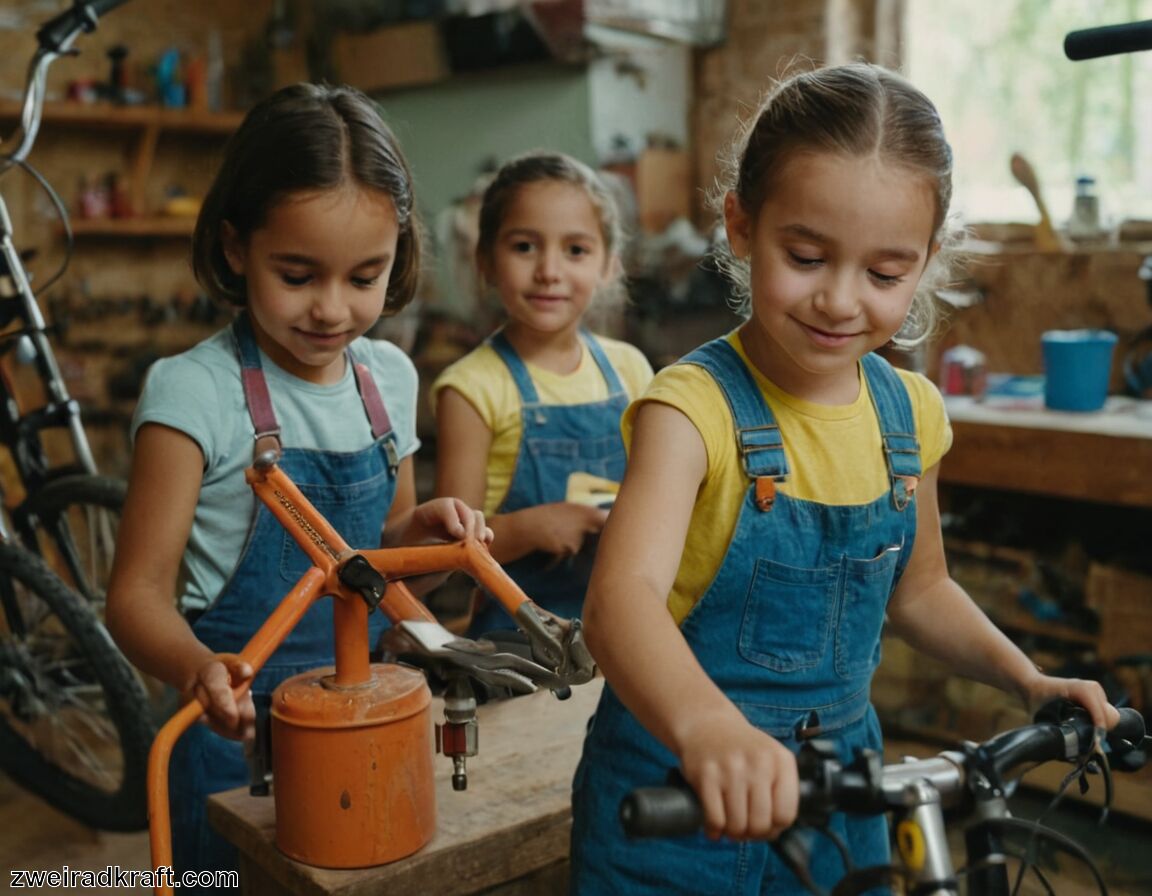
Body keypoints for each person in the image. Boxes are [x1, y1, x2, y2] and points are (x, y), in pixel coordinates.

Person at [568, 62, 1120, 894]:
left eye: (884, 274)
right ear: (741, 225)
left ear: (926, 263)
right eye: (806, 255)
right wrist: (709, 728)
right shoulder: (690, 410)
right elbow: (620, 602)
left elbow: (921, 591)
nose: (838, 299)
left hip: (840, 807)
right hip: (674, 802)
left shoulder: (911, 417)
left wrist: (1028, 678)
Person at [105, 83, 491, 882]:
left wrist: (425, 529)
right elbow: (135, 596)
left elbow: (371, 549)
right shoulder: (192, 392)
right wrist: (195, 670)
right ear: (236, 245)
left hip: (356, 715)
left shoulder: (387, 377)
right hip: (229, 735)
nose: (331, 309)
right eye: (298, 273)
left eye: (364, 277)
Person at [431, 151, 653, 636]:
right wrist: (532, 529)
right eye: (525, 247)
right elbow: (446, 553)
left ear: (609, 266)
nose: (550, 270)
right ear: (486, 261)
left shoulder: (631, 370)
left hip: (625, 636)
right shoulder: (471, 389)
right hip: (519, 647)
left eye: (576, 250)